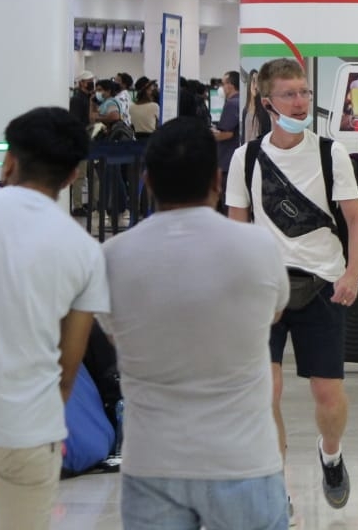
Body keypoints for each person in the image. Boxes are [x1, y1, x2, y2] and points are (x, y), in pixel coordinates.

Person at [102, 118, 289, 530]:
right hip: (244, 460)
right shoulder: (258, 247)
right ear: (217, 180)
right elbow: (274, 313)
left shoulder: (113, 256)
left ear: (147, 181)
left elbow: (113, 330)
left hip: (151, 461)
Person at [225, 58, 358, 514]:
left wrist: (351, 275)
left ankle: (331, 454)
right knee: (265, 391)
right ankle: (276, 489)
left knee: (327, 393)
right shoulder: (245, 157)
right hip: (265, 290)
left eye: (304, 92)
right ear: (267, 102)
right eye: (289, 94)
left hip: (322, 285)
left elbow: (357, 221)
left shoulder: (332, 154)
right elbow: (238, 230)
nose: (300, 101)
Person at [0, 107, 109, 530]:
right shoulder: (83, 250)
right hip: (27, 428)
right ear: (72, 177)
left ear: (9, 160)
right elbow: (69, 364)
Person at [70, 70, 97, 216]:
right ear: (81, 83)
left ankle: (92, 203)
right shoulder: (76, 100)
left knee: (93, 175)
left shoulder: (89, 99)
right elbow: (77, 122)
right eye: (89, 81)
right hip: (82, 140)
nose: (91, 83)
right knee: (80, 175)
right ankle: (78, 205)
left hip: (90, 140)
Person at [213, 70, 241, 207]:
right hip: (235, 159)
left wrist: (210, 135)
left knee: (226, 204)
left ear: (230, 85)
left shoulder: (231, 104)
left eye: (223, 84)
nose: (221, 88)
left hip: (227, 162)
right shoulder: (242, 102)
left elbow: (227, 133)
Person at [243, 68, 271, 143]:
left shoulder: (264, 110)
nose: (255, 86)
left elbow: (267, 135)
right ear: (249, 83)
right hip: (246, 151)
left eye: (257, 82)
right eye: (253, 81)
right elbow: (243, 136)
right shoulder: (245, 110)